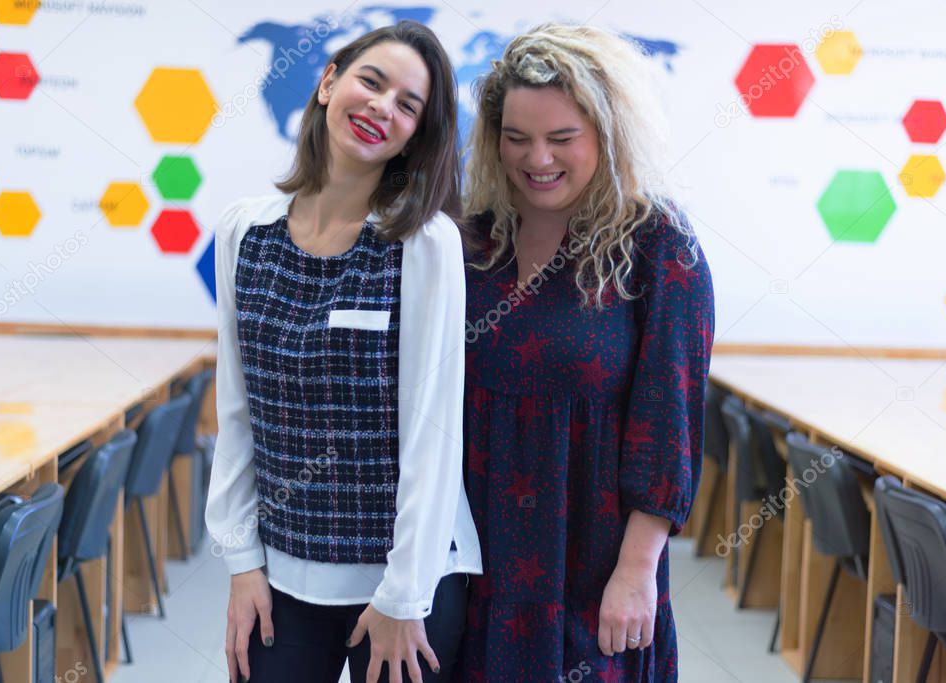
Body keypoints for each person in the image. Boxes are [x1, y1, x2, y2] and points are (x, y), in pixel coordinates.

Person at [205, 21, 482, 683]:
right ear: (329, 83)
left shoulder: (423, 241)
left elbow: (432, 431)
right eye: (371, 81)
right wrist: (241, 562)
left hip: (404, 578)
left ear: (417, 133)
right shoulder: (244, 231)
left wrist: (402, 593)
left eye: (408, 104)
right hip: (282, 569)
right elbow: (239, 413)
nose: (382, 106)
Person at [458, 23, 715, 682]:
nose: (535, 158)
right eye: (515, 138)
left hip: (596, 569)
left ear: (606, 133)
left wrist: (636, 574)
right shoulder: (471, 240)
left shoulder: (659, 244)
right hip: (476, 568)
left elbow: (669, 429)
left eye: (561, 138)